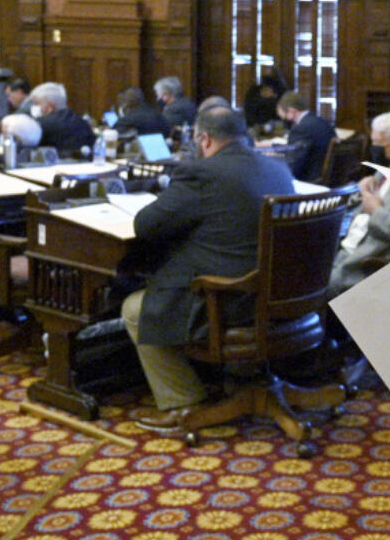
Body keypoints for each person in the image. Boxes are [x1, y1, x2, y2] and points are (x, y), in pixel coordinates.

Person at [124, 106, 296, 428]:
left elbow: (146, 225)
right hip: (280, 294)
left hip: (229, 299)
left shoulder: (202, 173)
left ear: (204, 139)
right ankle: (243, 377)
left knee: (134, 308)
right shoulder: (278, 170)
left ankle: (184, 402)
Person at [327, 111, 390, 296]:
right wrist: (360, 189)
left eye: (378, 144)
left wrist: (376, 211)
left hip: (368, 261)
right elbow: (362, 205)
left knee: (311, 284)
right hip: (348, 245)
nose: (373, 149)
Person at [276, 91, 335, 182]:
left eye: (285, 117)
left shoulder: (301, 129)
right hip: (329, 179)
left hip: (310, 180)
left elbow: (292, 167)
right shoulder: (322, 122)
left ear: (292, 111)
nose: (285, 120)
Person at [28, 82, 95, 157]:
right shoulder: (83, 123)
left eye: (36, 103)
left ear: (50, 107)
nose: (33, 107)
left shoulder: (40, 125)